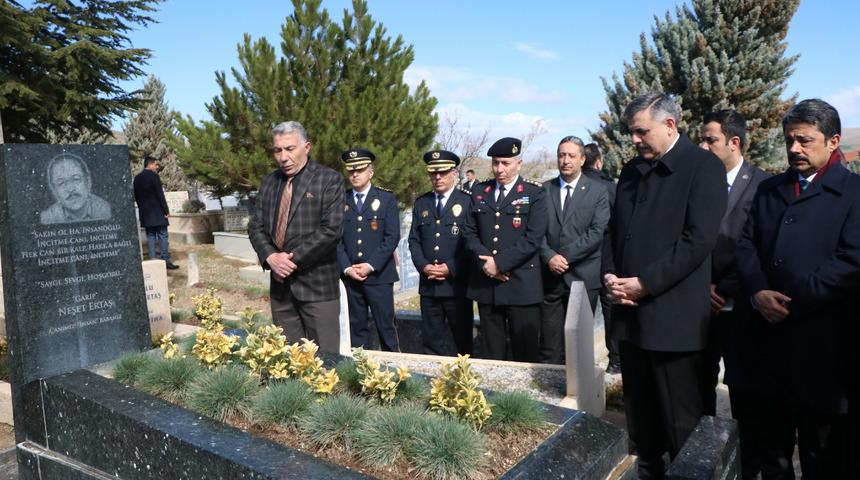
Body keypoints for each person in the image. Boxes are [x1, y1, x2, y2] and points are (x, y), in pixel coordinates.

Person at [727, 99, 859, 478]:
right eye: (789, 140)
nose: (794, 149)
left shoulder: (853, 194)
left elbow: (851, 262)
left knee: (824, 456)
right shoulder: (770, 189)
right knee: (769, 452)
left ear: (833, 141)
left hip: (822, 348)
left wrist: (791, 301)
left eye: (805, 140)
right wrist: (756, 292)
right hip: (764, 346)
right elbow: (746, 245)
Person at [603, 92, 726, 478]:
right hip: (631, 315)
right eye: (631, 133)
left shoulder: (702, 167)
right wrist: (609, 274)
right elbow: (614, 231)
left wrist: (646, 283)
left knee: (682, 427)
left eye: (642, 132)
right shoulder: (631, 171)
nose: (635, 140)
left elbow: (698, 240)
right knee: (643, 427)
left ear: (669, 125)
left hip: (674, 323)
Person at [248, 121, 344, 352]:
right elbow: (255, 226)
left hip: (318, 288)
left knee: (325, 362)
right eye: (277, 150)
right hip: (281, 290)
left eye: (290, 149)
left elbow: (331, 230)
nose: (283, 157)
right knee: (289, 359)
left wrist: (288, 261)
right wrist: (270, 257)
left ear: (307, 147)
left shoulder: (328, 179)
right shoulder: (269, 182)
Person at [697, 109, 768, 416]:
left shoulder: (763, 186)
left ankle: (747, 462)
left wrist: (725, 287)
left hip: (739, 305)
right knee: (699, 385)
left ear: (734, 142)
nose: (703, 147)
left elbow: (759, 247)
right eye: (702, 139)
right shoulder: (696, 183)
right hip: (699, 302)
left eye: (710, 140)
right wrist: (702, 286)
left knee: (744, 390)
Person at [462, 137, 547, 362]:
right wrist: (485, 264)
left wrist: (498, 263)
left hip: (521, 284)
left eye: (506, 163)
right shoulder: (480, 191)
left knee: (525, 352)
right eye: (496, 163)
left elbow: (533, 238)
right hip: (487, 285)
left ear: (519, 163)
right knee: (492, 354)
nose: (500, 169)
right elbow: (469, 233)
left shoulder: (534, 193)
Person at [539, 136, 610, 364]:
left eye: (571, 156)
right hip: (550, 277)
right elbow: (535, 231)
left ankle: (578, 396)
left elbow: (597, 231)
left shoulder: (598, 191)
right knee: (549, 346)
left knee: (578, 346)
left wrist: (565, 257)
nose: (565, 160)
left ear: (582, 160)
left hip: (582, 277)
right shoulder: (544, 190)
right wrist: (549, 256)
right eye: (561, 155)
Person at [408, 150, 474, 355]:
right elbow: (414, 240)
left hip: (456, 286)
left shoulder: (467, 201)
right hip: (429, 286)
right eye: (433, 173)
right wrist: (424, 266)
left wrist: (450, 268)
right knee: (431, 343)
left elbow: (470, 242)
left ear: (454, 173)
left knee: (462, 342)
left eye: (443, 173)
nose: (437, 177)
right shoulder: (422, 203)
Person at [337, 148, 400, 351]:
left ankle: (393, 375)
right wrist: (347, 268)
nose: (355, 174)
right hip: (351, 278)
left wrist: (370, 265)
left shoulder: (386, 199)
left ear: (370, 172)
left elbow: (392, 237)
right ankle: (359, 376)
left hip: (379, 276)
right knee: (356, 331)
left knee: (386, 329)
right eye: (351, 170)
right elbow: (336, 240)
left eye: (360, 170)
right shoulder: (340, 200)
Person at [583, 142, 620, 374]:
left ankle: (580, 362)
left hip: (579, 261)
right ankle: (615, 360)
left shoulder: (576, 187)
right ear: (598, 162)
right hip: (607, 258)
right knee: (610, 311)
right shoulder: (611, 188)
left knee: (580, 312)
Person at [133, 156, 179, 270]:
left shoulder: (137, 178)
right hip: (158, 212)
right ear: (151, 164)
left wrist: (142, 209)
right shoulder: (154, 176)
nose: (156, 167)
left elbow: (136, 196)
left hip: (145, 213)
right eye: (155, 164)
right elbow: (160, 194)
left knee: (151, 236)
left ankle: (153, 261)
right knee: (163, 235)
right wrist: (166, 211)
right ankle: (165, 260)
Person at [41, 152, 111, 224]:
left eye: (76, 179)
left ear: (88, 181)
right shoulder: (48, 218)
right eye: (61, 183)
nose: (70, 189)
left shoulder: (106, 209)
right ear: (54, 190)